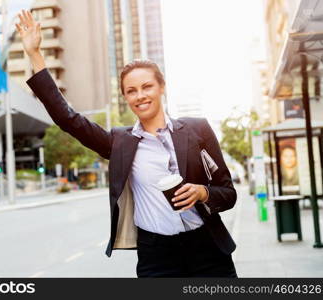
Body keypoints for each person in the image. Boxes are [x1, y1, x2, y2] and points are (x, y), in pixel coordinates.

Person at [16, 10, 237, 277]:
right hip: (157, 256)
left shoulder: (197, 129)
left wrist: (202, 193)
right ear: (125, 97)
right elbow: (68, 118)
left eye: (147, 87)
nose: (140, 96)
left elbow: (228, 193)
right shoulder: (120, 142)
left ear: (161, 87)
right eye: (131, 91)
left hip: (207, 250)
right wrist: (35, 55)